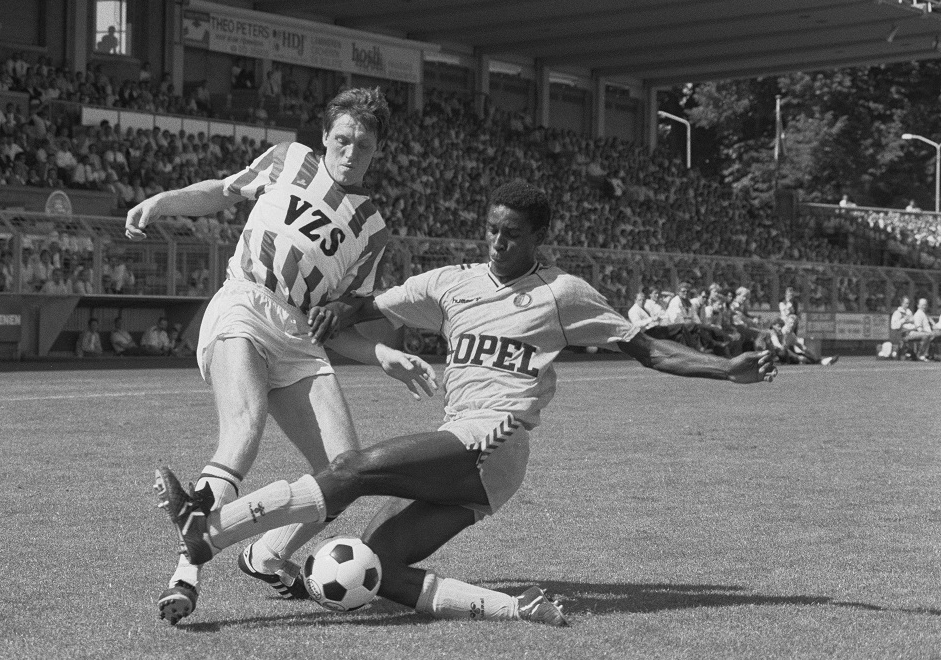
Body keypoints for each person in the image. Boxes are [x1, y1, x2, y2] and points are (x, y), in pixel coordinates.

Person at [153, 180, 777, 628]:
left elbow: (647, 350)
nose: (498, 242)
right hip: (466, 455)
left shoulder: (563, 293)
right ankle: (520, 609)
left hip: (495, 442)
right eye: (492, 230)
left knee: (352, 469)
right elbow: (373, 305)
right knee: (379, 568)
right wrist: (332, 308)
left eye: (512, 234)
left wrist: (727, 368)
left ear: (540, 237)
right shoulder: (454, 283)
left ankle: (208, 532)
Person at [126, 87, 431, 625]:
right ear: (325, 137)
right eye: (342, 139)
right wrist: (163, 201)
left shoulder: (373, 229)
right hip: (246, 302)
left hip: (300, 341)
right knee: (244, 429)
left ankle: (265, 555)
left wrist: (382, 353)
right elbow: (220, 192)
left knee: (343, 474)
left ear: (377, 150)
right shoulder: (290, 160)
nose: (350, 152)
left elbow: (332, 326)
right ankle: (185, 576)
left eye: (363, 144)